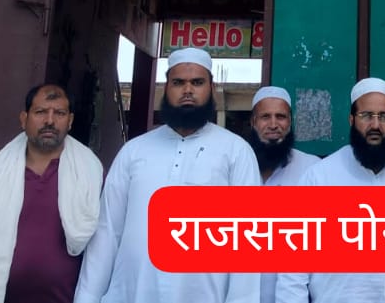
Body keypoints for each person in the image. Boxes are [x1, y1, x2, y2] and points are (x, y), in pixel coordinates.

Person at [73, 47, 261, 303]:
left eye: (197, 82)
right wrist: (87, 297)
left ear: (212, 88)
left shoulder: (236, 151)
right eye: (178, 82)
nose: (187, 90)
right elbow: (107, 233)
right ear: (166, 87)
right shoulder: (134, 151)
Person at [276, 77, 385, 303]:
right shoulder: (320, 177)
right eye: (366, 116)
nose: (376, 125)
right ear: (351, 119)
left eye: (383, 116)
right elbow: (293, 266)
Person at [0, 83, 104, 303]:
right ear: (24, 118)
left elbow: (106, 248)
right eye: (40, 112)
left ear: (70, 121)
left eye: (59, 113)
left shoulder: (91, 174)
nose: (49, 121)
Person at [245, 85, 320, 303]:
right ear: (253, 122)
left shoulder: (312, 169)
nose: (273, 125)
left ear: (290, 122)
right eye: (265, 117)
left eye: (281, 117)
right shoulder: (236, 164)